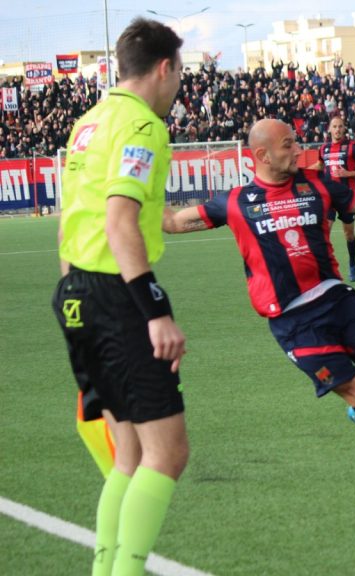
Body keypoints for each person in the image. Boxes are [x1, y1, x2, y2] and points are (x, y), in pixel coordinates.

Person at [163, 119, 355, 484]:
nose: (298, 150)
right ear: (262, 155)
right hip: (295, 323)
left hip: (337, 299)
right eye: (288, 145)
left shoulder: (317, 184)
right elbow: (173, 222)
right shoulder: (236, 202)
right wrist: (126, 193)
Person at [51, 19, 189, 576]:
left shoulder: (89, 121)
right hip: (116, 295)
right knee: (166, 452)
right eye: (179, 73)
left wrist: (73, 296)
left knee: (128, 455)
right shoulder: (142, 125)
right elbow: (120, 221)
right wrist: (154, 311)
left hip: (75, 291)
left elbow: (71, 220)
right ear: (164, 68)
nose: (178, 85)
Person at [309, 115, 355, 282]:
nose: (337, 129)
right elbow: (319, 165)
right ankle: (325, 270)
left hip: (346, 196)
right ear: (329, 129)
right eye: (334, 126)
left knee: (348, 234)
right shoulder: (324, 148)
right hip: (328, 197)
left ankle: (352, 263)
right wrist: (301, 173)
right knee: (325, 232)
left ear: (344, 128)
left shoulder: (352, 147)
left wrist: (348, 173)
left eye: (340, 126)